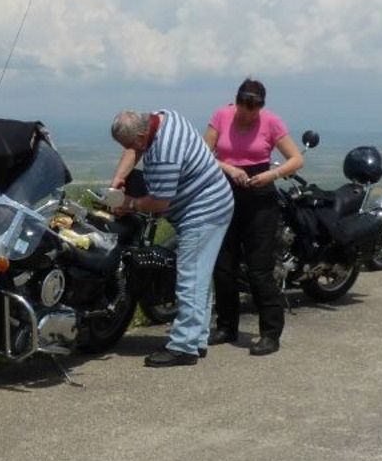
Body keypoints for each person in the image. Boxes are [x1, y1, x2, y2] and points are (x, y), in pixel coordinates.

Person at [109, 109, 234, 367]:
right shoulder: (163, 116)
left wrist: (128, 203)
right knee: (199, 277)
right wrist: (118, 179)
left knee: (190, 278)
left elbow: (158, 202)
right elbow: (134, 151)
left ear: (142, 136)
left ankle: (183, 347)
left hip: (204, 211)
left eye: (132, 144)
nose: (130, 150)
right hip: (213, 202)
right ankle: (196, 339)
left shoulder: (165, 152)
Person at [205, 78, 304, 356]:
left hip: (260, 198)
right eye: (243, 110)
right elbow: (204, 153)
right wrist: (228, 168)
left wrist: (271, 174)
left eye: (253, 111)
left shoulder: (271, 122)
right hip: (224, 191)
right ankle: (226, 326)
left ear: (261, 107)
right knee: (224, 266)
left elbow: (296, 159)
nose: (247, 116)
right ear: (236, 103)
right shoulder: (221, 116)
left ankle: (270, 333)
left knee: (259, 269)